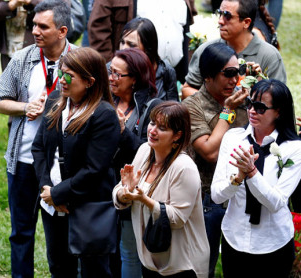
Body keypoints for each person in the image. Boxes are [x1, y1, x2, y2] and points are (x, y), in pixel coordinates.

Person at [0, 1, 74, 277]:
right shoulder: (23, 58)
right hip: (24, 161)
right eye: (34, 25)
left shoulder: (81, 60)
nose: (35, 31)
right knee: (21, 233)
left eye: (42, 26)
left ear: (62, 31)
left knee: (62, 237)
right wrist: (25, 107)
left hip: (62, 166)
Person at [32, 47, 120, 277]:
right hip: (52, 205)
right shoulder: (55, 100)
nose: (61, 80)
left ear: (90, 81)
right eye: (61, 73)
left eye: (68, 75)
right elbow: (39, 148)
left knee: (94, 271)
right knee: (59, 268)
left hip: (87, 208)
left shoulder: (104, 115)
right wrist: (47, 190)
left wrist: (60, 193)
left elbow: (95, 169)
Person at [211, 79, 301, 277]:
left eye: (260, 108)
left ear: (279, 111)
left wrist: (252, 173)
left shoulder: (294, 149)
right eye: (250, 104)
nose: (252, 111)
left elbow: (276, 202)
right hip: (234, 238)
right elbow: (217, 196)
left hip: (273, 243)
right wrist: (237, 179)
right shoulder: (233, 138)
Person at [113, 102, 209, 278]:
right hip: (150, 259)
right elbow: (119, 190)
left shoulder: (184, 167)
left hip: (181, 264)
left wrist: (144, 199)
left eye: (162, 127)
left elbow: (177, 218)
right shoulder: (144, 151)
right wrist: (125, 192)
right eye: (152, 123)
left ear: (177, 135)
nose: (153, 130)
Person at [182, 42, 248, 278]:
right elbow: (209, 152)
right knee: (202, 268)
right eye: (228, 73)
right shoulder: (191, 107)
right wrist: (228, 111)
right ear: (208, 77)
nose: (235, 79)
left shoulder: (244, 101)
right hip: (207, 198)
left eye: (238, 72)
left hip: (241, 194)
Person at [109, 47, 161, 278]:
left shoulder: (151, 107)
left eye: (117, 74)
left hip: (133, 189)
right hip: (103, 187)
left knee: (129, 253)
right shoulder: (106, 100)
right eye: (110, 72)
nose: (111, 78)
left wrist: (122, 130)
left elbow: (150, 151)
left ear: (135, 79)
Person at [182, 0, 286, 99]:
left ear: (246, 22)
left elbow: (278, 103)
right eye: (220, 13)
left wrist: (257, 87)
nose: (220, 21)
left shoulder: (270, 56)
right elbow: (187, 90)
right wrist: (219, 103)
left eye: (227, 16)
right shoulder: (206, 50)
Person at [118, 18, 178, 101]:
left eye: (131, 45)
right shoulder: (110, 71)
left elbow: (174, 110)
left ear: (147, 48)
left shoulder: (166, 71)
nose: (124, 49)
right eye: (122, 42)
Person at [0, 0, 40, 72]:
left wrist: (31, 2)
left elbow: (56, 8)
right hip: (9, 51)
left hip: (39, 51)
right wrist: (11, 4)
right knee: (8, 82)